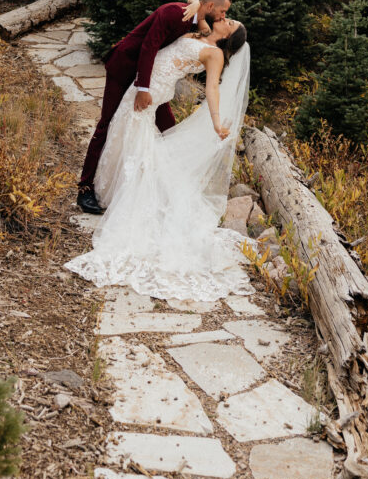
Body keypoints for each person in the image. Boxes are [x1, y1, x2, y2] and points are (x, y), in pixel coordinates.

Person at [65, 18, 250, 302]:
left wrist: (216, 123)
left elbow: (212, 89)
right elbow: (195, 8)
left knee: (132, 135)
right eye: (227, 16)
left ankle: (129, 195)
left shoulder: (214, 54)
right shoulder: (200, 31)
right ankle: (114, 190)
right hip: (145, 87)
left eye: (230, 23)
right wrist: (192, 0)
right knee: (122, 132)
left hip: (151, 93)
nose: (225, 19)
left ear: (229, 37)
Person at [76, 0, 232, 214]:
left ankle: (165, 188)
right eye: (222, 12)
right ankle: (85, 190)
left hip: (155, 86)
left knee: (170, 131)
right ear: (210, 7)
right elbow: (148, 47)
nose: (223, 17)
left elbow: (206, 36)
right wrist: (143, 87)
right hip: (126, 68)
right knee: (107, 124)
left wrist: (196, 5)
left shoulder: (196, 20)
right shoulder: (173, 13)